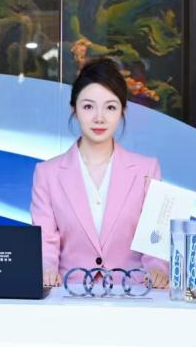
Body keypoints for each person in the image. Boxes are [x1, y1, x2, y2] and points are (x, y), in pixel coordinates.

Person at [30, 57, 167, 290]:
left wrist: (157, 269)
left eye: (110, 107)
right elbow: (45, 242)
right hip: (69, 294)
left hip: (132, 294)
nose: (99, 118)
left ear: (122, 111)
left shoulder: (147, 170)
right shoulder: (47, 174)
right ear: (74, 109)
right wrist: (46, 270)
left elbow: (155, 240)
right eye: (88, 106)